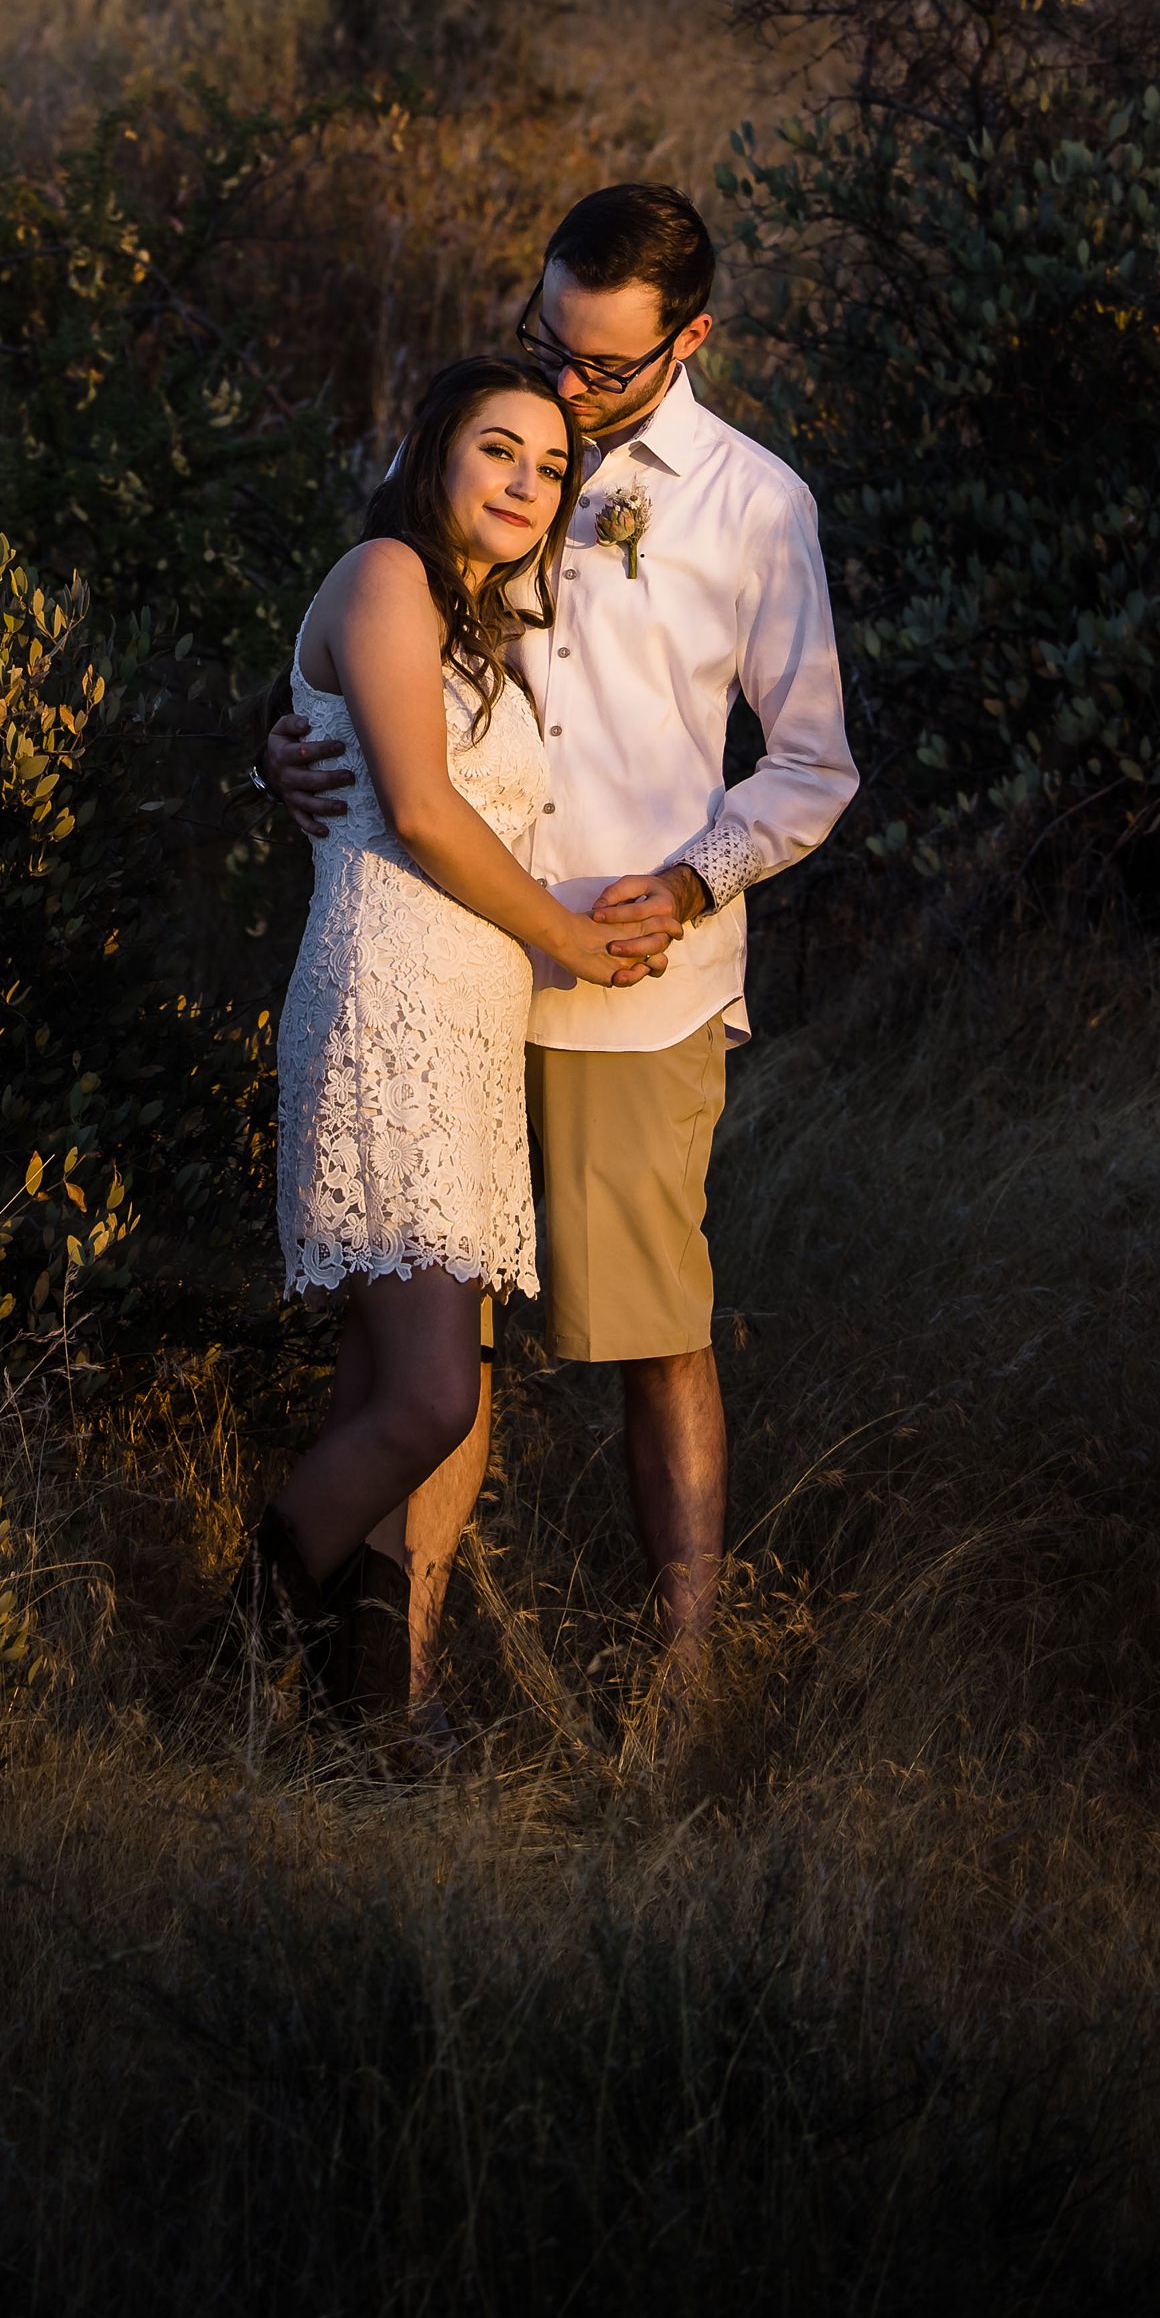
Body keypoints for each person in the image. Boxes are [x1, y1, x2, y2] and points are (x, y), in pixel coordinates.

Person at [263, 184, 858, 1710]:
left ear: (691, 343)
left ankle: (680, 1688)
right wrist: (283, 743)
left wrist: (694, 879)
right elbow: (362, 634)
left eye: (604, 369)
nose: (570, 396)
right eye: (551, 347)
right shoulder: (488, 445)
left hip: (626, 987)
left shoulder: (751, 502)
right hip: (438, 980)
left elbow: (811, 764)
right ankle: (382, 1675)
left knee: (650, 1329)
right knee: (420, 1357)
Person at [234, 352, 669, 1726]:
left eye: (551, 468)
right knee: (430, 1400)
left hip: (470, 1023)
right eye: (500, 451)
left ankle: (364, 1729)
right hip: (390, 1004)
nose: (529, 486)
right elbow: (420, 811)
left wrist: (598, 914)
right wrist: (567, 936)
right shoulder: (386, 580)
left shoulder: (478, 623)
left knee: (391, 1381)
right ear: (435, 454)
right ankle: (229, 1659)